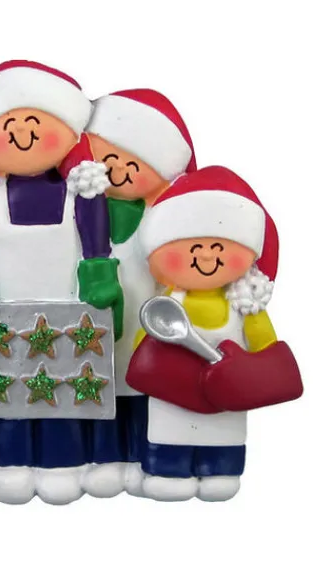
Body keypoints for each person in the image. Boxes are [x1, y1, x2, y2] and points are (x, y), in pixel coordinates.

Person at [0, 60, 123, 505]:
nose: (21, 134)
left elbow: (97, 248)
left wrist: (102, 285)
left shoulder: (83, 193)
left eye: (34, 124)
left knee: (69, 388)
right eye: (7, 126)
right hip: (3, 318)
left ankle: (64, 463)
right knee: (4, 389)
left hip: (72, 320)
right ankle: (8, 464)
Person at [132, 166, 281, 501]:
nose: (206, 254)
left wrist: (258, 369)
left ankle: (220, 469)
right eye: (193, 246)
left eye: (218, 245)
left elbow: (264, 345)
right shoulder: (166, 304)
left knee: (223, 435)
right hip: (172, 394)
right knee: (169, 431)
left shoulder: (244, 306)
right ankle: (167, 469)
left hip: (225, 399)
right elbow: (145, 345)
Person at [82, 89, 196, 497]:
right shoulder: (80, 208)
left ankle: (144, 455)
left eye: (135, 165)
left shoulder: (164, 219)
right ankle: (103, 458)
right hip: (93, 319)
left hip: (151, 319)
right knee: (97, 386)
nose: (119, 172)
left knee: (145, 390)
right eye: (110, 159)